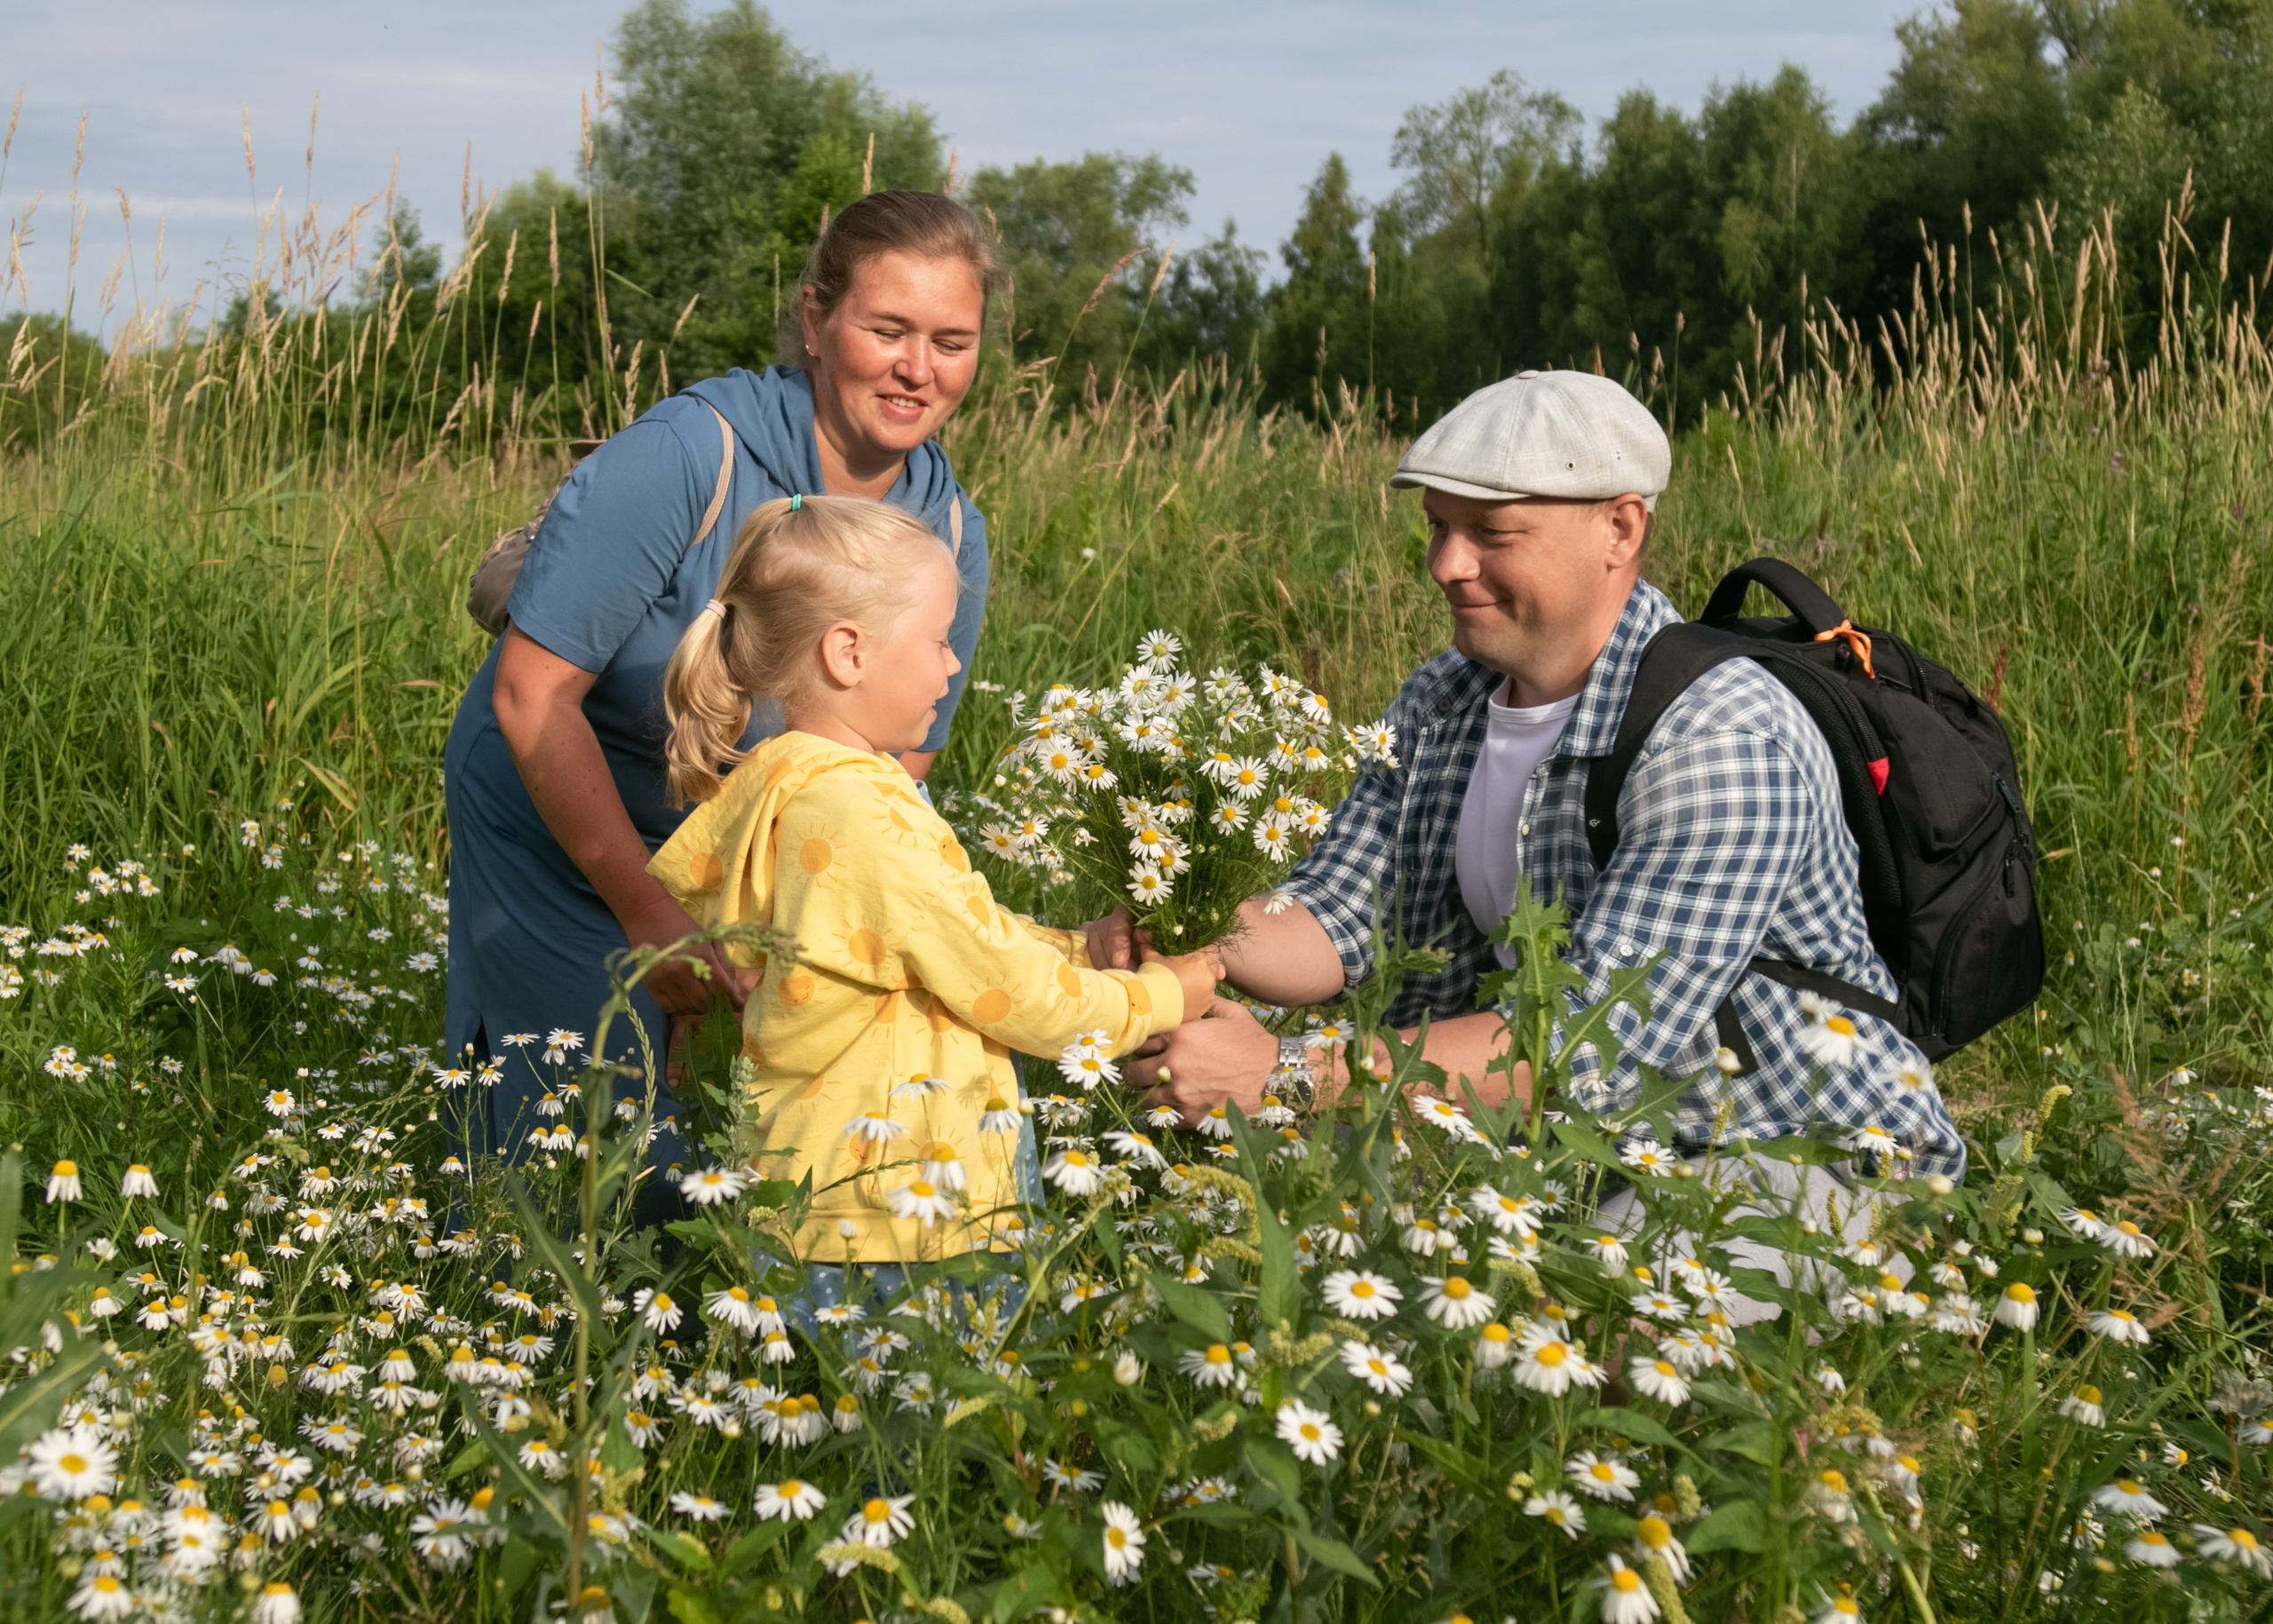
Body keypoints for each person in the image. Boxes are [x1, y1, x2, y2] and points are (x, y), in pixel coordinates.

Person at [1105, 368, 1966, 1231]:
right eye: (1438, 527)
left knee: (1613, 1317)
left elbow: (1584, 1041)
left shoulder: (1721, 739)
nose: (1446, 564)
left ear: (1619, 528)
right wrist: (1186, 932)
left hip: (1792, 1155)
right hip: (1570, 1149)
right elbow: (1337, 913)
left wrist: (1286, 1074)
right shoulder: (1447, 696)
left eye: (1491, 532)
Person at [442, 192, 1001, 1208]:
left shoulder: (949, 532)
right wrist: (652, 915)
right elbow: (532, 696)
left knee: (742, 1134)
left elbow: (888, 772)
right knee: (583, 1138)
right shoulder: (688, 455)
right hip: (564, 819)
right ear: (815, 318)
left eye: (950, 342)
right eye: (887, 330)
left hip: (744, 856)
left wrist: (762, 936)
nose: (917, 369)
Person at [645, 494, 1222, 1276]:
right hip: (902, 1223)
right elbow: (1014, 993)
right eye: (940, 639)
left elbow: (945, 937)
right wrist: (1161, 994)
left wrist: (1081, 947)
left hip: (816, 1202)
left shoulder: (793, 787)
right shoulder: (862, 816)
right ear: (848, 653)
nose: (953, 664)